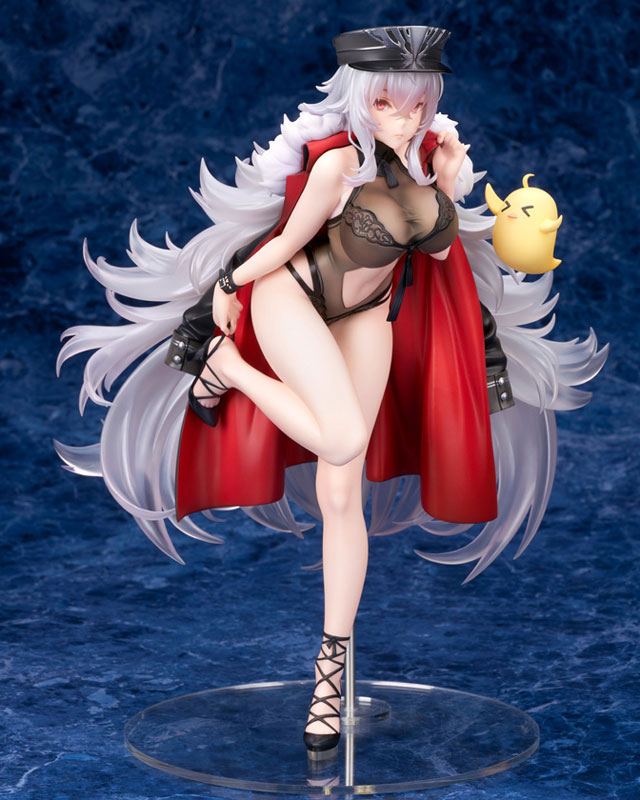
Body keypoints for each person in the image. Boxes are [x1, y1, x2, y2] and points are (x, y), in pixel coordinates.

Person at [56, 26, 607, 760]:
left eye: (418, 104)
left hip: (370, 317)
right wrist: (227, 284)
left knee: (342, 492)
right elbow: (284, 244)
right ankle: (229, 368)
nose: (404, 118)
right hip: (294, 297)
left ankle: (330, 669)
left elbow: (441, 250)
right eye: (387, 103)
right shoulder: (339, 165)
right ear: (360, 98)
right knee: (344, 437)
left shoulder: (428, 164)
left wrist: (449, 181)